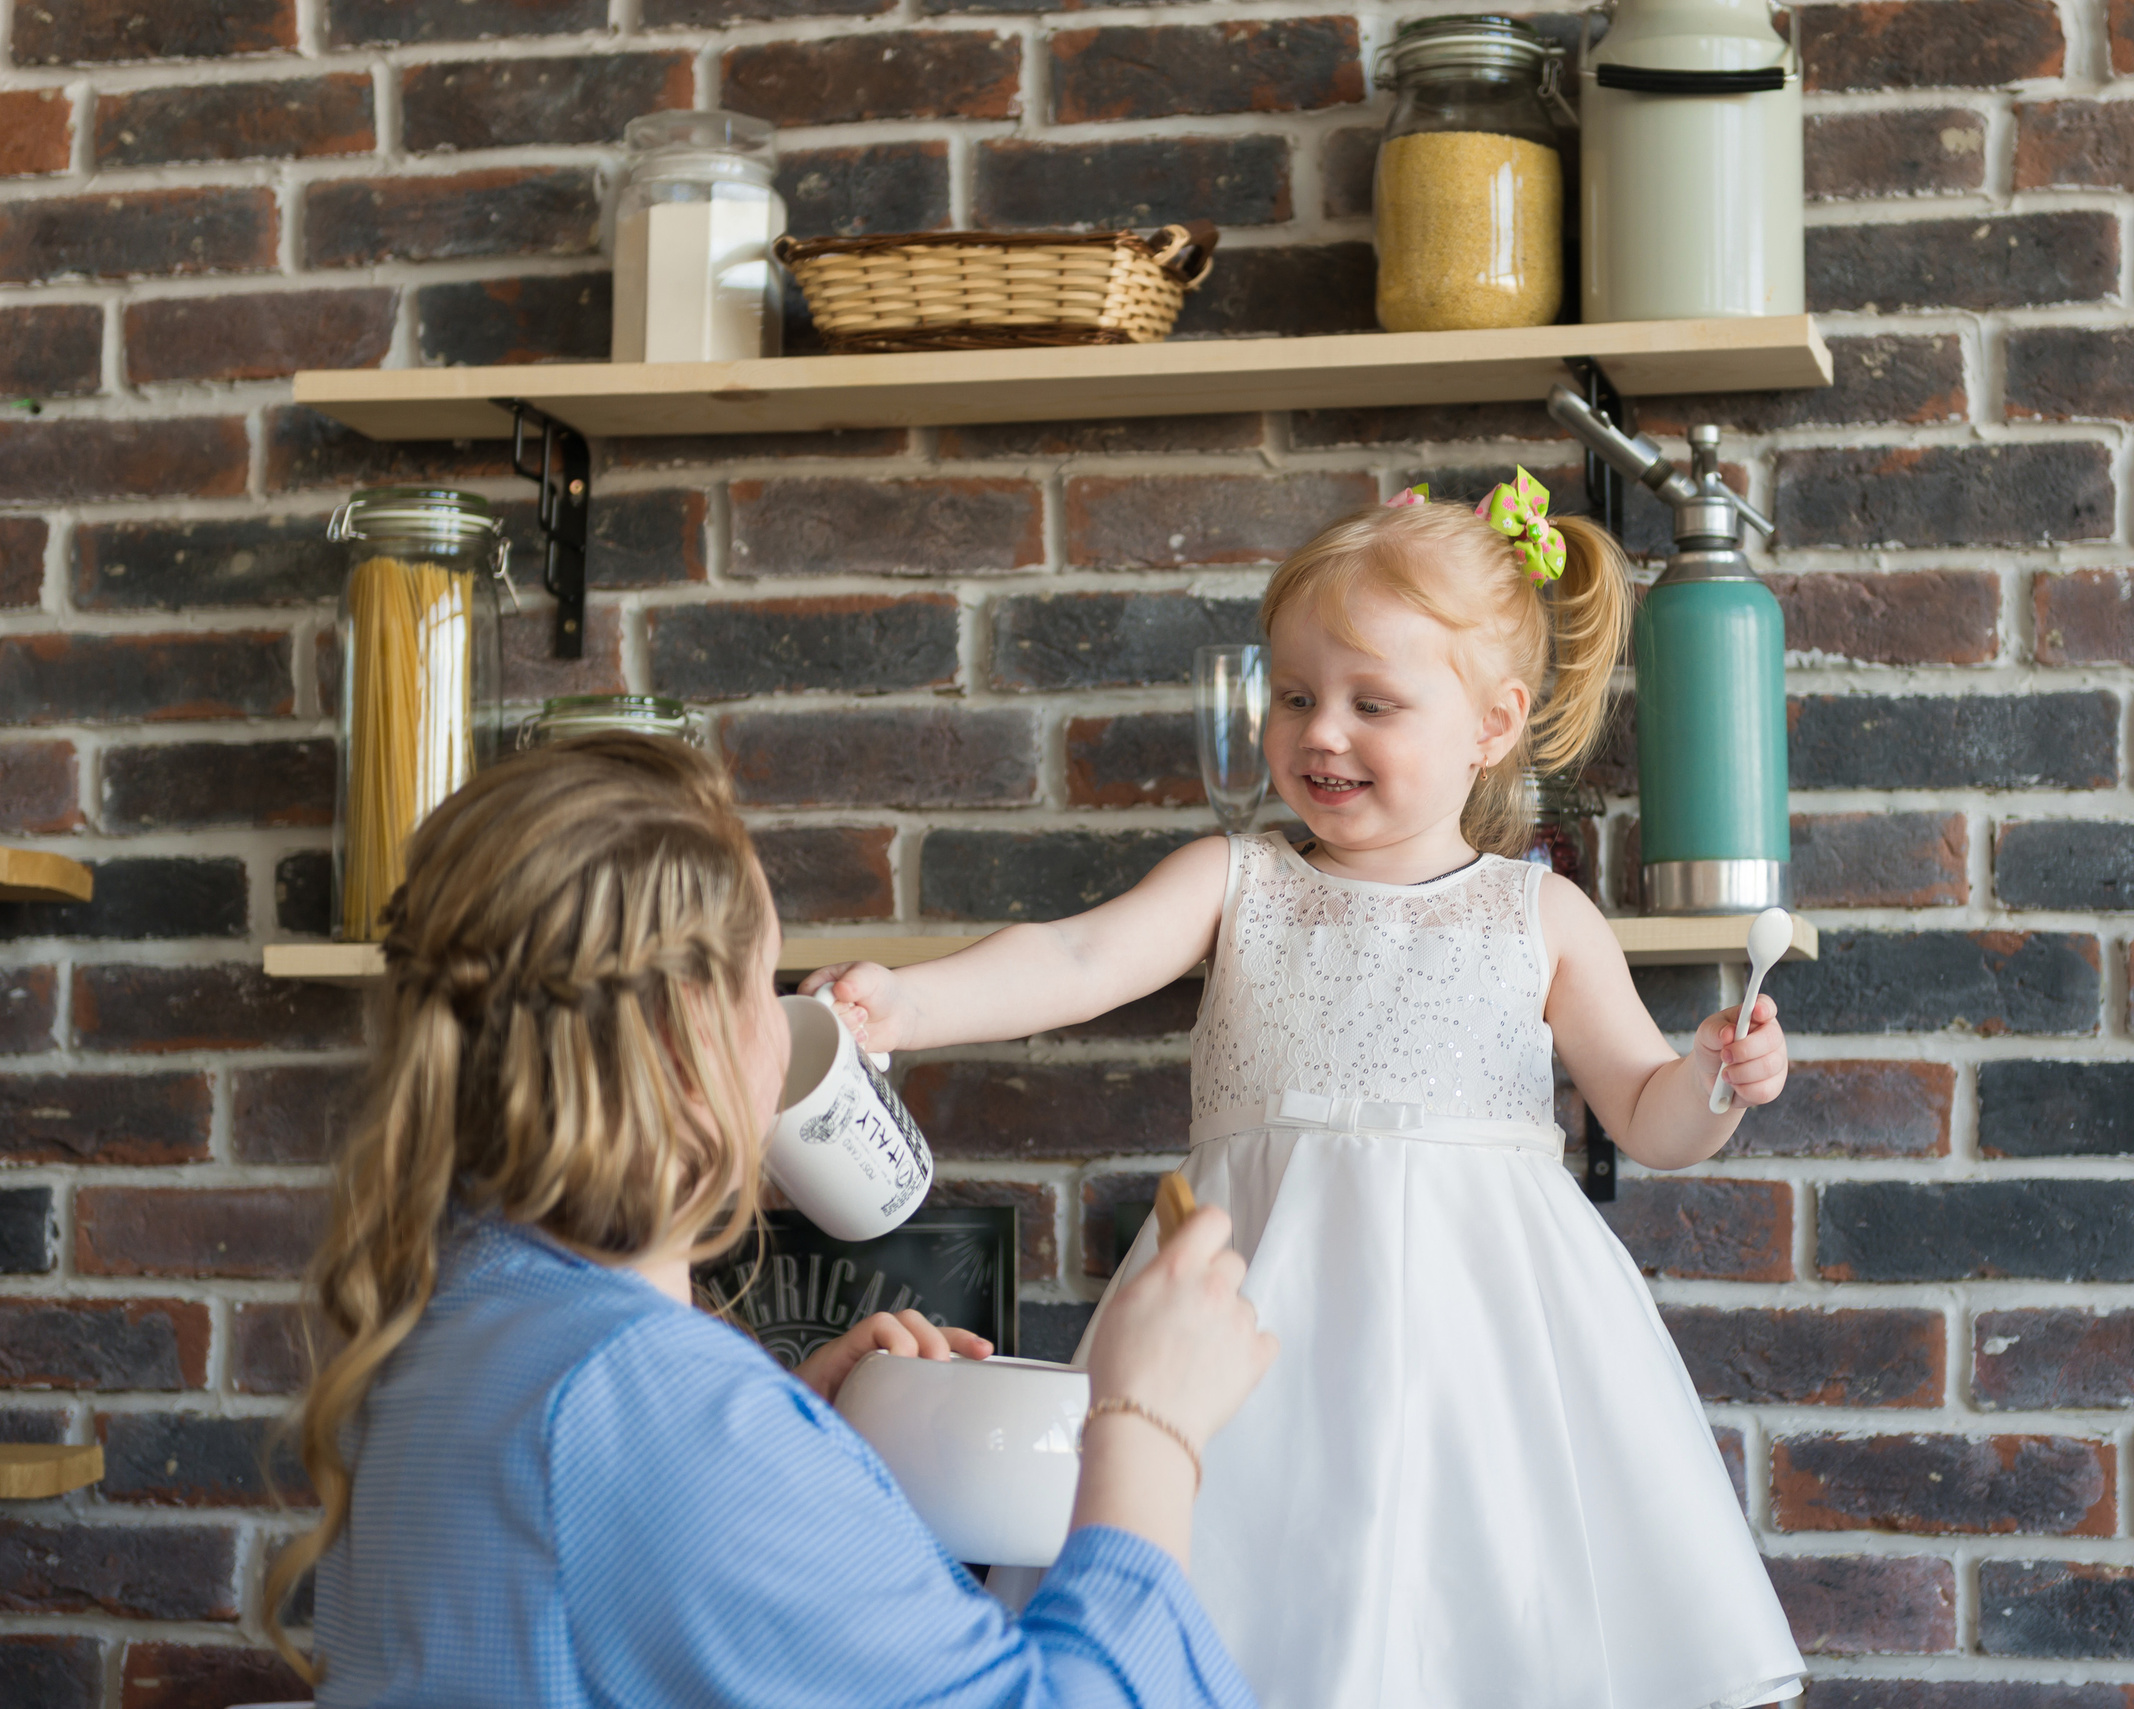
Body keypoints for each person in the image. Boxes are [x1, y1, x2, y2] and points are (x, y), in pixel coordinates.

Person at [807, 475, 1807, 1709]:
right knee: (1261, 1613)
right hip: (1251, 1341)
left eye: (1370, 702)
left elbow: (1649, 1113)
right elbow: (1071, 957)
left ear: (1491, 722)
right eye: (1293, 695)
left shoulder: (1540, 914)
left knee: (1479, 1627)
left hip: (1483, 1357)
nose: (1319, 732)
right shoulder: (1236, 881)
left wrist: (1717, 1076)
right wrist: (905, 1004)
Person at [263, 734, 1275, 1708]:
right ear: (686, 1035)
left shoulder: (447, 1326)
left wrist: (800, 1453)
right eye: (765, 982)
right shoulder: (663, 1412)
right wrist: (1150, 1424)